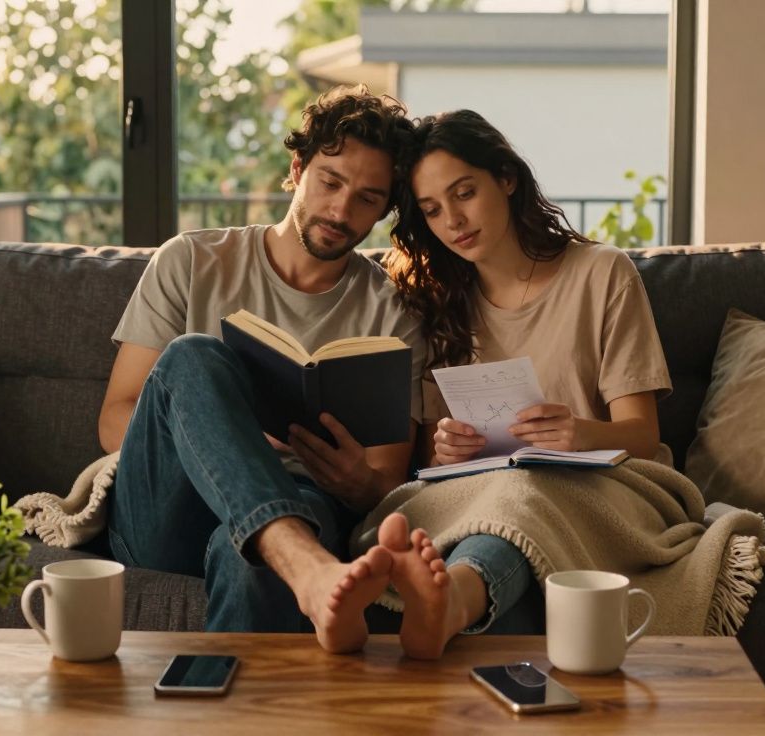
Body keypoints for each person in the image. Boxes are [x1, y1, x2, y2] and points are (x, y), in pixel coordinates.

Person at [99, 85, 425, 654]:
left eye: (368, 199)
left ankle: (282, 570)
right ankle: (306, 567)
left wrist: (357, 480)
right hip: (170, 504)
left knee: (251, 557)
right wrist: (224, 437)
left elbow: (387, 477)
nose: (341, 211)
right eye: (330, 182)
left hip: (305, 496)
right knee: (193, 355)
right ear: (297, 169)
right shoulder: (190, 260)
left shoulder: (392, 310)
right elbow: (114, 418)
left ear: (384, 210)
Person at [338, 109, 673, 659]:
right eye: (432, 210)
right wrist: (446, 449)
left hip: (607, 488)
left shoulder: (602, 273)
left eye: (465, 193)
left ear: (507, 178)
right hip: (489, 493)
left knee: (524, 490)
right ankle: (456, 614)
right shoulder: (435, 303)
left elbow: (642, 435)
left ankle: (450, 601)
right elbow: (430, 458)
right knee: (501, 500)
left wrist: (580, 434)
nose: (454, 220)